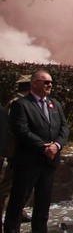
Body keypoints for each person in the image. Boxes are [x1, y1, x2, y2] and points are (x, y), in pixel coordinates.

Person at [4, 69, 70, 233]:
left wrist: (57, 146)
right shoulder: (20, 104)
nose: (49, 85)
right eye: (45, 82)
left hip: (49, 162)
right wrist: (44, 147)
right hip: (28, 162)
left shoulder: (54, 104)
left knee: (43, 204)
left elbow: (64, 127)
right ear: (34, 83)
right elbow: (21, 130)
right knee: (17, 203)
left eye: (51, 83)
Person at [0, 76, 32, 227]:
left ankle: (19, 211)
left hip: (22, 150)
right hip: (17, 151)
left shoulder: (17, 102)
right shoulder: (17, 103)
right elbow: (15, 129)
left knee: (22, 185)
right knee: (8, 184)